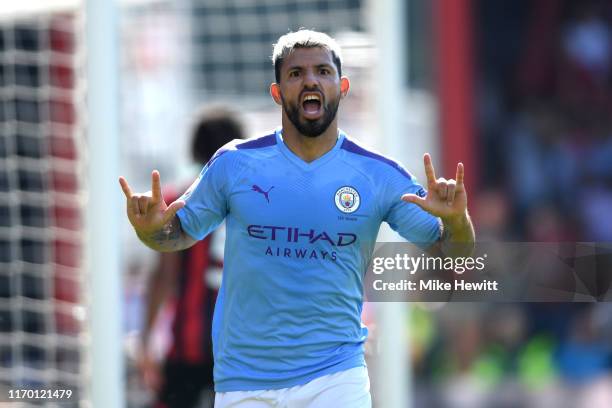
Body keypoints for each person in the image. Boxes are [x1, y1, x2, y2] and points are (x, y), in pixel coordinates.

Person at [119, 30, 475, 407]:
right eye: (296, 74)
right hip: (245, 380)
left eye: (323, 71)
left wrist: (456, 221)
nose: (310, 80)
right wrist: (151, 230)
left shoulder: (379, 175)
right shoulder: (234, 164)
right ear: (277, 92)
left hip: (336, 377)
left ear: (342, 86)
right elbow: (175, 237)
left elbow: (457, 258)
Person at [137, 107, 245, 408]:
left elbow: (164, 276)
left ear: (195, 148)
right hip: (241, 351)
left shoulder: (176, 202)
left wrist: (146, 339)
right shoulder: (256, 204)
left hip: (188, 348)